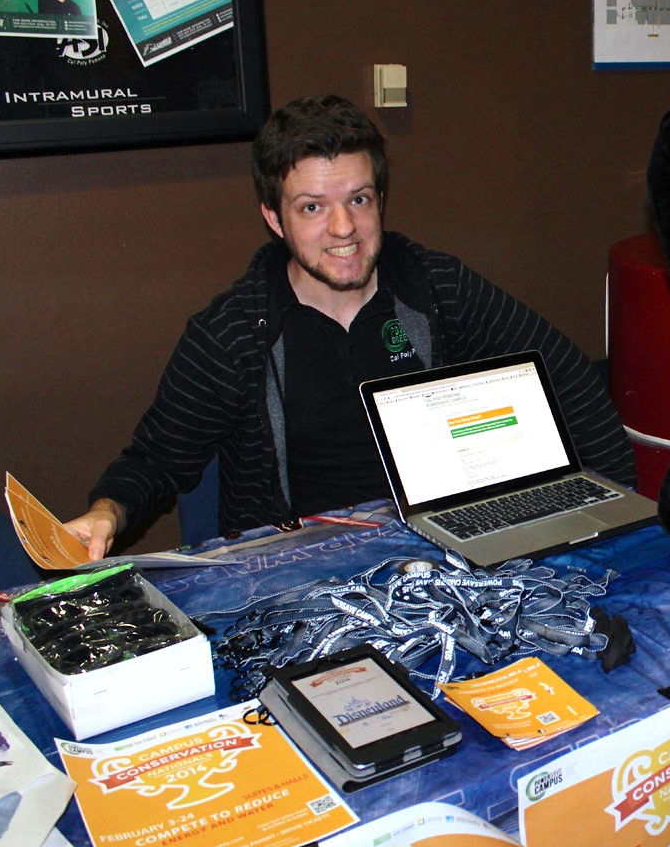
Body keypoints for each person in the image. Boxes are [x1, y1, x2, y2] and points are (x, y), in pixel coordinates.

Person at [65, 95, 635, 560]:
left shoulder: (436, 287)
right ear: (274, 218)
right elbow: (158, 458)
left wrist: (615, 526)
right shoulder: (234, 331)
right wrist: (105, 512)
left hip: (448, 555)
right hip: (301, 573)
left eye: (358, 200)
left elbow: (571, 382)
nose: (344, 229)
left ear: (380, 199)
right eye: (313, 207)